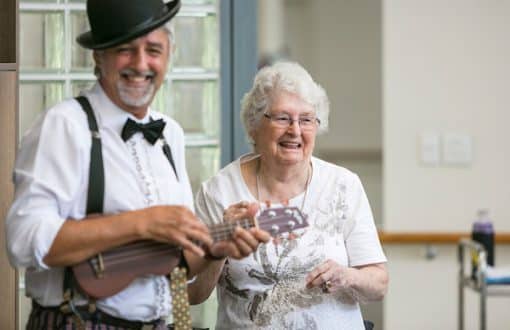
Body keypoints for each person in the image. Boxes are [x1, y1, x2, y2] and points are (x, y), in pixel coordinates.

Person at [6, 0, 268, 329]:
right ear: (98, 57)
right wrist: (139, 223)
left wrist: (215, 249)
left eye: (153, 50)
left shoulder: (169, 133)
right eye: (125, 50)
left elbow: (169, 260)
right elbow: (23, 241)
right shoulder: (64, 125)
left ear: (169, 55)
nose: (141, 63)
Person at [189, 61, 388, 329]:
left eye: (306, 119)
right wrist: (219, 248)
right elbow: (194, 294)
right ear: (254, 126)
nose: (295, 130)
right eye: (282, 118)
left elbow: (378, 283)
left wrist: (348, 276)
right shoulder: (220, 191)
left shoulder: (344, 185)